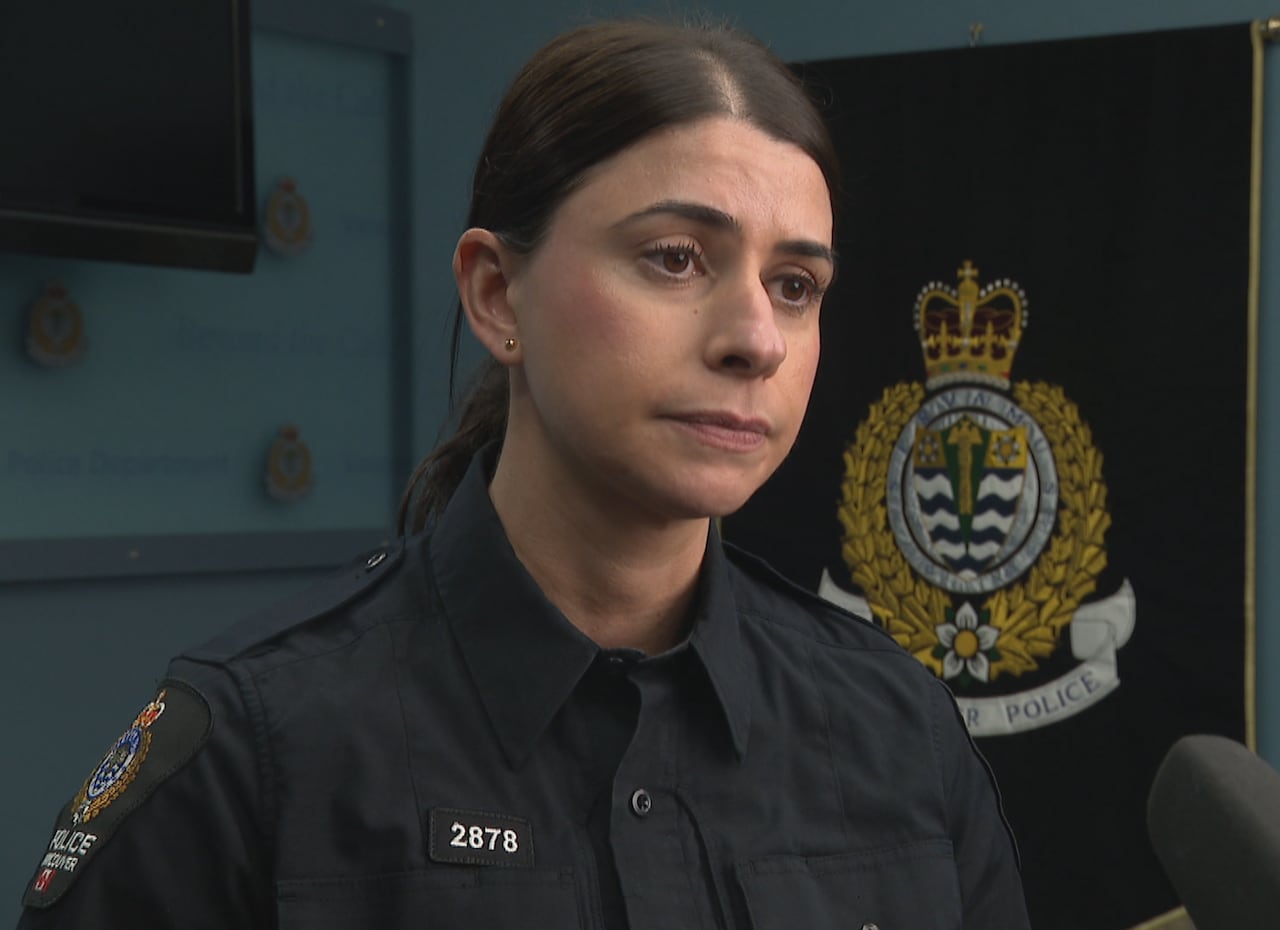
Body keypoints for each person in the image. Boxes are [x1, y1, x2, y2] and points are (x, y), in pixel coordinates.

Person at [15, 18, 1030, 930]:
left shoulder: (894, 731)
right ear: (497, 295)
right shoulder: (256, 748)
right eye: (675, 259)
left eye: (794, 285)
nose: (754, 340)